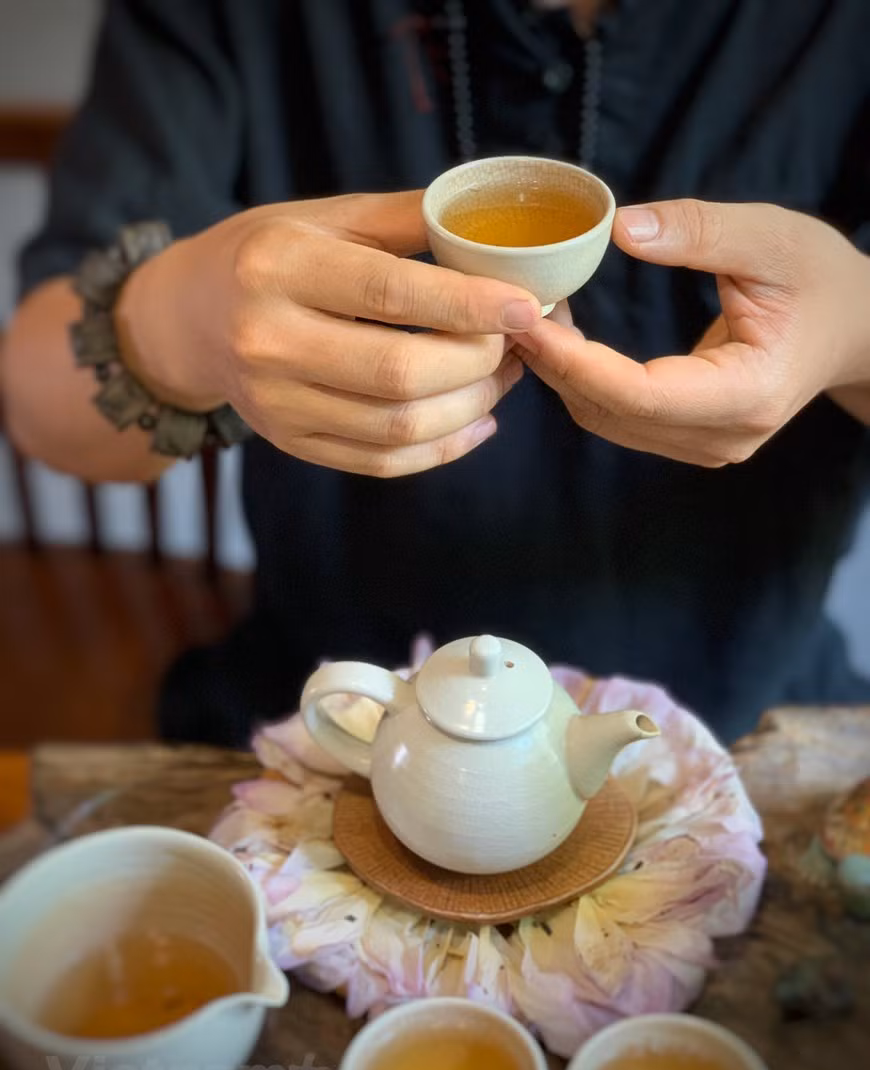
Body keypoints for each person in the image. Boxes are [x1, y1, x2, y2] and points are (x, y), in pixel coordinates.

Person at [3, 0, 870, 749]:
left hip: (752, 725)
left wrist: (852, 328)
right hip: (337, 720)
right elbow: (40, 396)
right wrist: (179, 319)